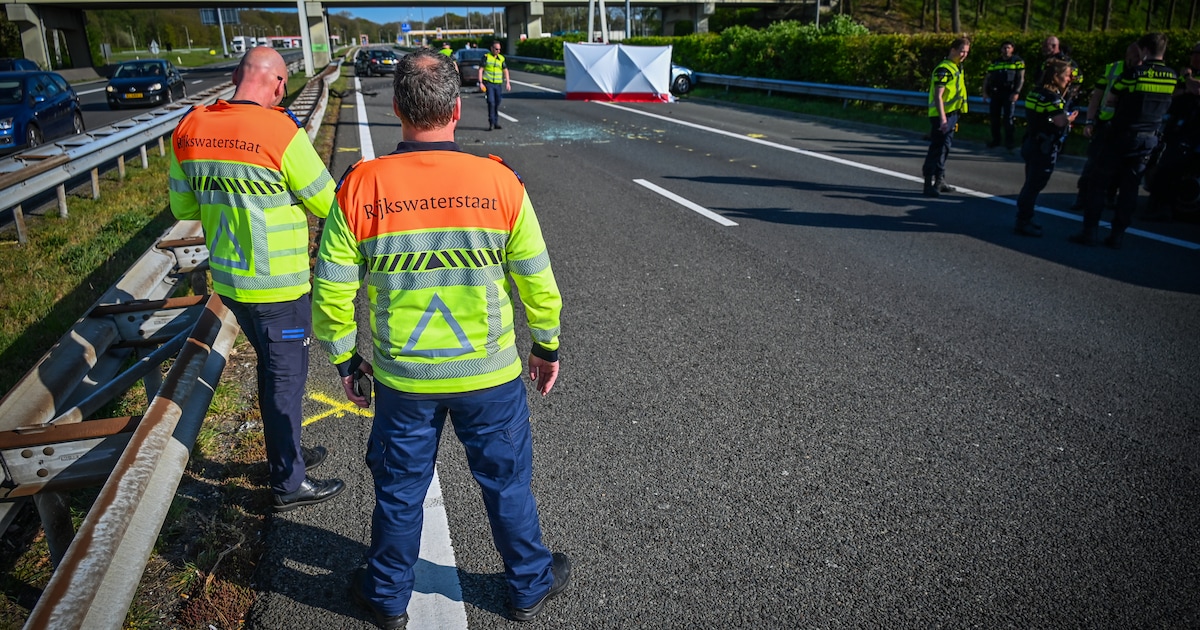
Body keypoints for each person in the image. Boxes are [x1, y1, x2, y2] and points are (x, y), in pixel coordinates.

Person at [312, 49, 570, 628]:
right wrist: (546, 345)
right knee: (506, 485)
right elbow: (538, 281)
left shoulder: (360, 186)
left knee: (401, 491)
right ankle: (528, 586)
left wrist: (345, 359)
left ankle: (386, 598)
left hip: (404, 379)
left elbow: (331, 290)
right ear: (457, 108)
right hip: (491, 376)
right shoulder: (499, 182)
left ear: (398, 107)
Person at [168, 46, 345, 512]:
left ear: (234, 77)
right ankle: (289, 482)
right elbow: (329, 205)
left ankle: (290, 457)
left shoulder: (191, 127)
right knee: (285, 381)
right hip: (279, 287)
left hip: (230, 284)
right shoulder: (279, 131)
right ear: (280, 84)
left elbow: (184, 208)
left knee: (275, 373)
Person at [1070, 33, 1178, 248]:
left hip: (1121, 135)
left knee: (1099, 184)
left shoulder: (1134, 74)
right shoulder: (1172, 76)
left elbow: (1111, 98)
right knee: (1130, 189)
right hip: (1149, 139)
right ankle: (1117, 235)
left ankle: (1090, 232)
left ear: (1145, 50)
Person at [1069, 42, 1143, 211]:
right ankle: (1082, 196)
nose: (1139, 61)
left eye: (1141, 57)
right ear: (1128, 56)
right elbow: (1096, 97)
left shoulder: (1143, 72)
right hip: (1105, 123)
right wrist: (1089, 121)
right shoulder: (1113, 69)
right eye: (1136, 57)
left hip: (1127, 126)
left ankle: (1110, 195)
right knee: (1093, 162)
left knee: (1119, 165)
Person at [1014, 60, 1078, 237]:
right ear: (1055, 77)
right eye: (1066, 75)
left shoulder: (1035, 92)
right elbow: (1057, 121)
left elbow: (1043, 117)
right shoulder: (1053, 98)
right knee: (1034, 185)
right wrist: (1069, 119)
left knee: (1030, 183)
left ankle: (1025, 217)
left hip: (1031, 142)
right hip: (1044, 146)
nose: (1069, 79)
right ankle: (1023, 220)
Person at [1142, 42, 1200, 222]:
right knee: (1162, 162)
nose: (1192, 56)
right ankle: (1159, 204)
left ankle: (1163, 206)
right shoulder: (1186, 75)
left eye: (1195, 53)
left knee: (1171, 166)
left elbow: (1197, 90)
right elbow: (1171, 93)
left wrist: (1188, 79)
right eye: (1193, 52)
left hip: (1193, 130)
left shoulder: (1188, 75)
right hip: (1176, 126)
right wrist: (1186, 87)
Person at [922, 37, 970, 198]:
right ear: (953, 50)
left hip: (952, 115)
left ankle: (939, 181)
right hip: (942, 115)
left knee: (945, 148)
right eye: (962, 51)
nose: (964, 55)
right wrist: (943, 118)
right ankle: (928, 183)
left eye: (966, 52)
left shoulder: (956, 67)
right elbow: (938, 96)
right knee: (936, 148)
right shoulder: (944, 69)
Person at [982, 41, 1024, 150]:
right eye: (1004, 48)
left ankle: (1009, 142)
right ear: (1001, 49)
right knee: (994, 118)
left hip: (1009, 93)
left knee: (1008, 118)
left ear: (1012, 49)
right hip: (996, 93)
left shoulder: (1017, 61)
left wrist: (1016, 92)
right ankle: (996, 140)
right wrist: (985, 92)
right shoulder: (996, 62)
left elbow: (1020, 78)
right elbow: (987, 78)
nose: (1006, 50)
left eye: (1008, 48)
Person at [478, 41, 511, 131]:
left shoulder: (501, 58)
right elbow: (481, 70)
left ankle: (496, 122)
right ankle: (491, 123)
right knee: (491, 102)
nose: (498, 51)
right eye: (496, 49)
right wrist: (480, 82)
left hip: (498, 84)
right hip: (489, 84)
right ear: (491, 48)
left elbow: (505, 70)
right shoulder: (486, 57)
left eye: (499, 49)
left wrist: (508, 82)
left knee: (497, 102)